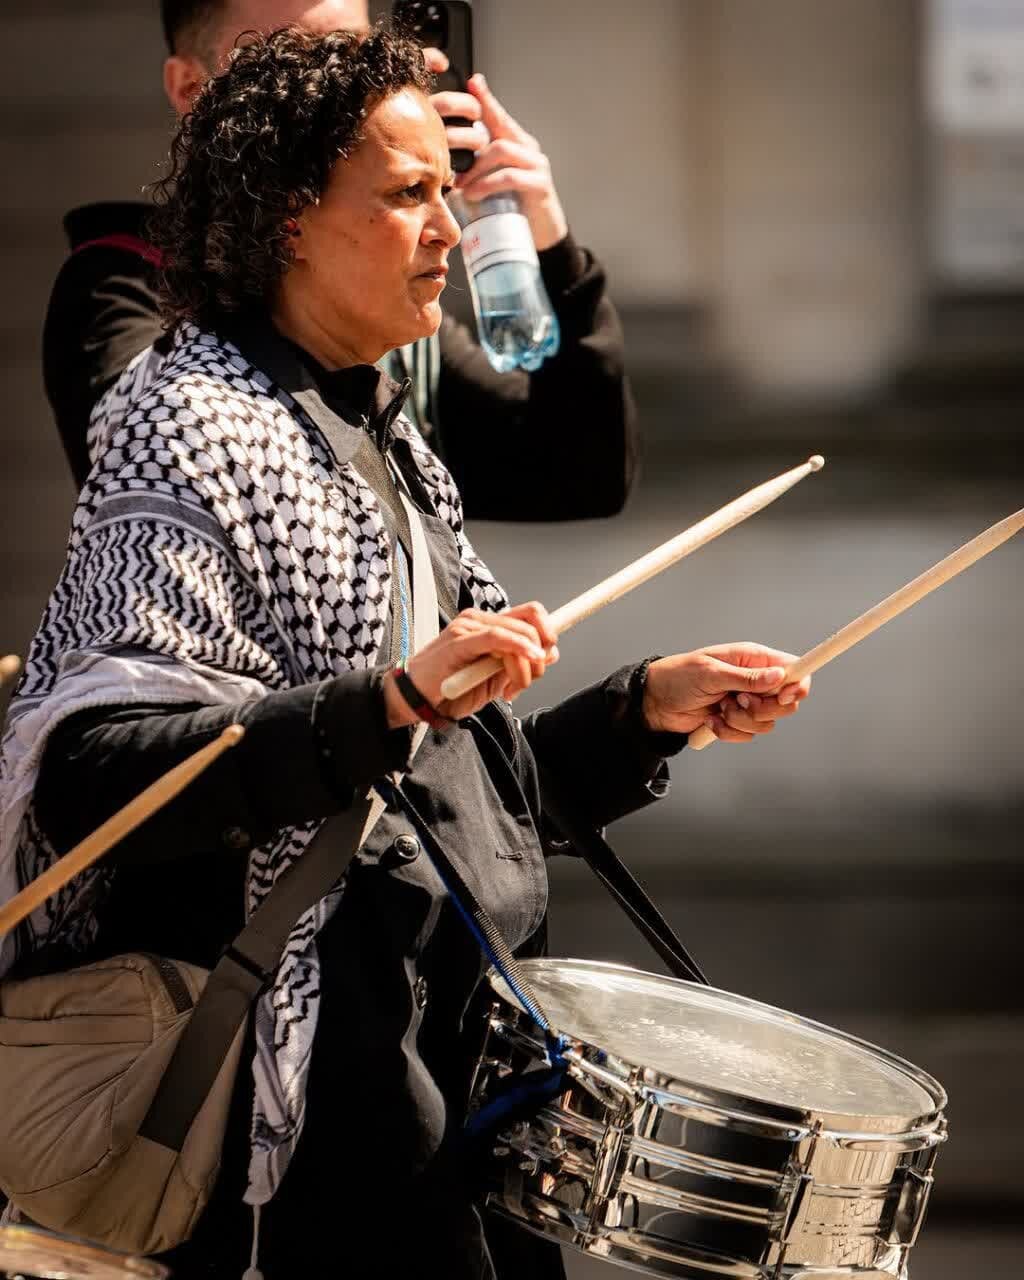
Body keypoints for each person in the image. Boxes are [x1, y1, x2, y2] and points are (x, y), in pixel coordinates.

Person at [3, 27, 810, 1279]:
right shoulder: (186, 416)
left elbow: (450, 799)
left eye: (448, 189)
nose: (448, 228)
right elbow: (98, 773)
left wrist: (643, 712)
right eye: (405, 194)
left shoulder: (383, 429)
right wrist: (380, 703)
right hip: (302, 1118)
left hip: (449, 1080)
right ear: (286, 217)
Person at [42, 0, 637, 522]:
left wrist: (544, 244)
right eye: (292, 58)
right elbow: (160, 470)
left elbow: (580, 473)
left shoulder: (382, 303)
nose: (340, 83)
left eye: (355, 52)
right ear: (191, 90)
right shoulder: (124, 286)